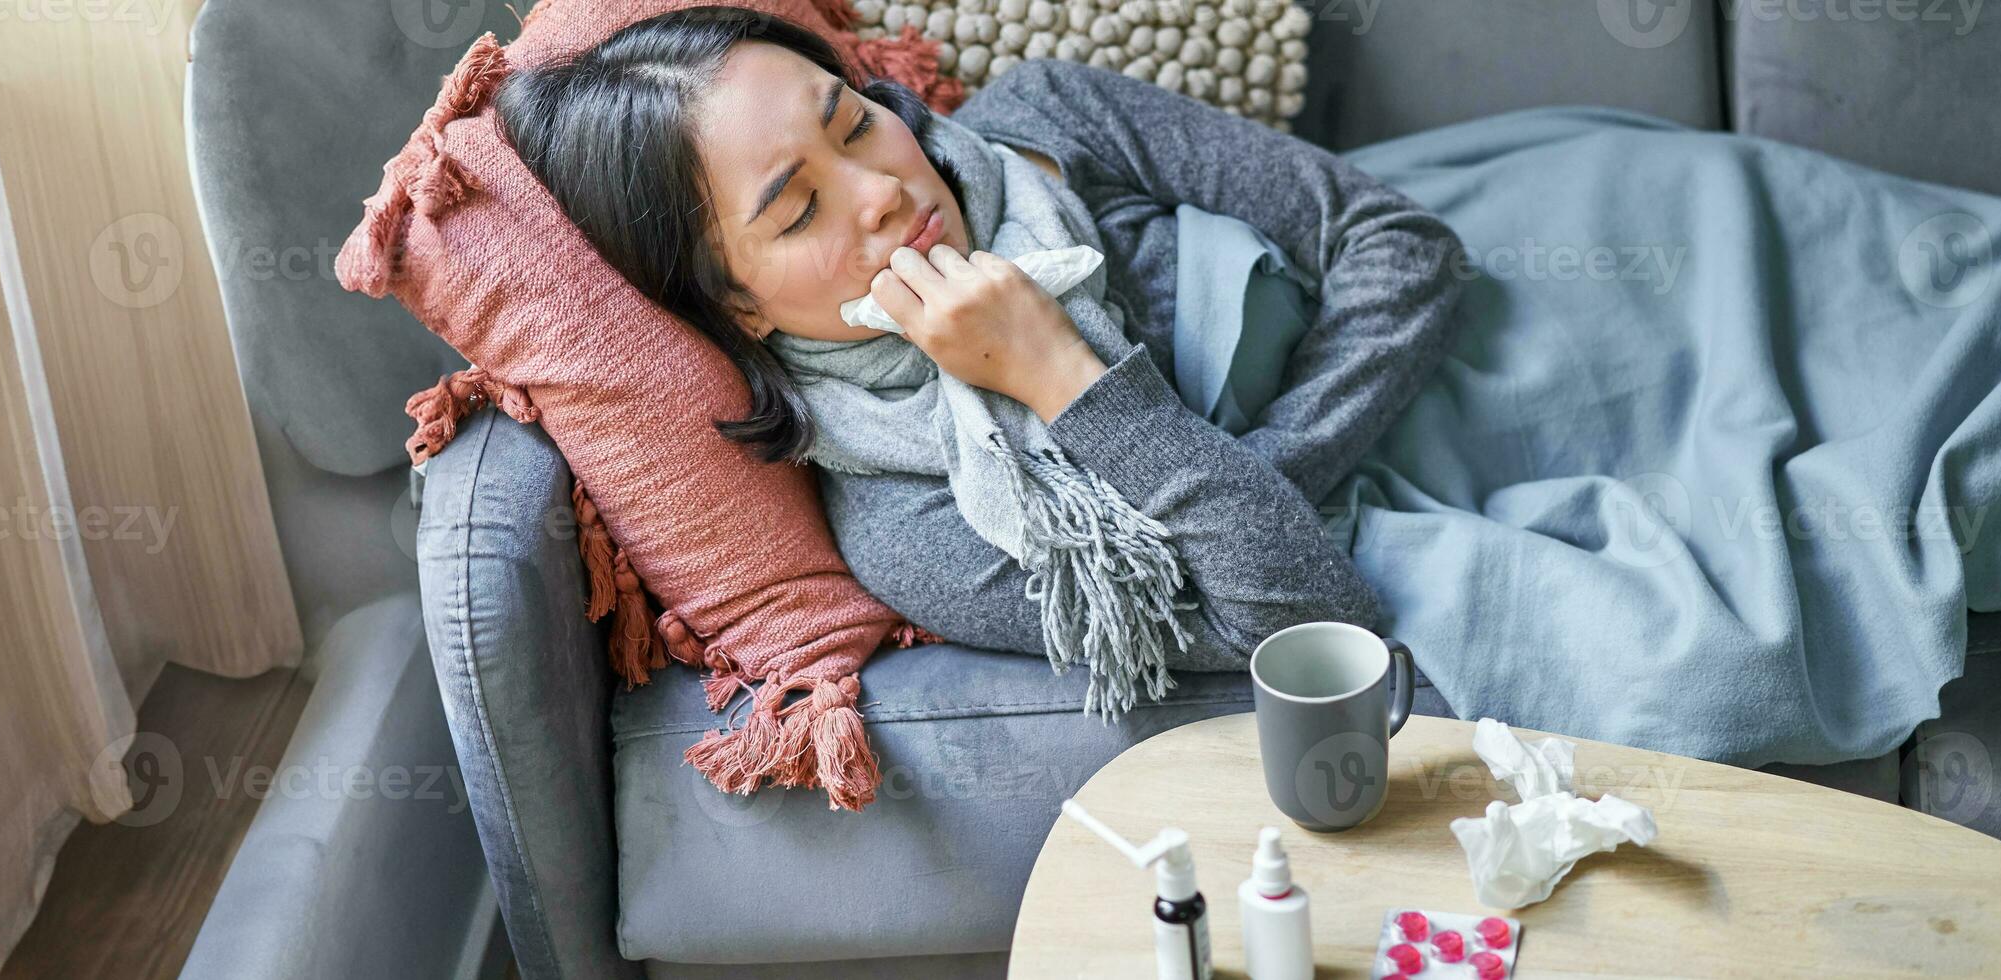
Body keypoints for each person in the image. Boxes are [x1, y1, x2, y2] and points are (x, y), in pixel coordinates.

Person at [496, 5, 1466, 672]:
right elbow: (1307, 619)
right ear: (735, 307)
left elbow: (1400, 245)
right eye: (797, 212)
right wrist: (1061, 375)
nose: (882, 192)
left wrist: (1254, 479)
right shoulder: (911, 531)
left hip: (1464, 345)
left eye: (854, 124)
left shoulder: (1044, 120)